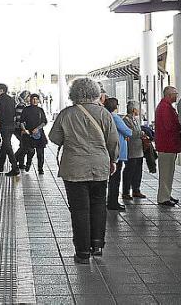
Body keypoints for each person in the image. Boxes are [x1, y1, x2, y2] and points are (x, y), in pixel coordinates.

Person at [49, 77, 119, 264]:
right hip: (99, 165)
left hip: (74, 167)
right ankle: (97, 245)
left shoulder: (66, 114)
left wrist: (71, 138)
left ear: (74, 93)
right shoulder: (104, 114)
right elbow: (113, 140)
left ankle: (82, 252)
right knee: (98, 204)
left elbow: (54, 138)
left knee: (79, 209)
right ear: (95, 93)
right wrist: (113, 160)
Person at [155, 86, 181, 206]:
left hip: (169, 145)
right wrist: (180, 125)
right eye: (175, 94)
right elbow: (169, 126)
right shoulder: (165, 108)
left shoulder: (166, 106)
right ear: (169, 95)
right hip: (167, 145)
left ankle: (166, 194)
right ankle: (163, 197)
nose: (177, 96)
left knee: (169, 172)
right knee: (166, 173)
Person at [105, 97, 131, 211]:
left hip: (110, 150)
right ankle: (113, 202)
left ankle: (111, 201)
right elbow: (127, 131)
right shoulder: (115, 117)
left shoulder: (106, 116)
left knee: (112, 178)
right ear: (116, 106)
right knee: (115, 178)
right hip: (118, 151)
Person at [15, 94, 48, 174]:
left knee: (40, 153)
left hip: (39, 134)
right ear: (30, 100)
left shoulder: (40, 110)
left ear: (38, 100)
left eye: (36, 99)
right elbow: (22, 121)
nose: (34, 101)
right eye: (33, 99)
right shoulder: (26, 109)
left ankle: (40, 169)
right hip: (28, 133)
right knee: (30, 151)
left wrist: (37, 128)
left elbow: (44, 122)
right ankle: (28, 163)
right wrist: (24, 130)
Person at [122, 100, 147, 201]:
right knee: (129, 171)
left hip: (138, 149)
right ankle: (126, 191)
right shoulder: (126, 120)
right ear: (134, 109)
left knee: (138, 171)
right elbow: (130, 132)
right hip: (131, 150)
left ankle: (136, 189)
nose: (139, 111)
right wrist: (141, 133)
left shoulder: (136, 119)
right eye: (138, 108)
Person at [0, 83, 20, 176]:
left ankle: (15, 168)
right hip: (11, 125)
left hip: (5, 126)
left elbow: (2, 113)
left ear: (1, 90)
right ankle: (0, 165)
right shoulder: (11, 99)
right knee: (5, 145)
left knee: (8, 146)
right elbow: (13, 112)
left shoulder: (1, 99)